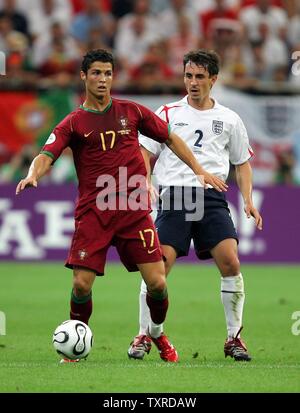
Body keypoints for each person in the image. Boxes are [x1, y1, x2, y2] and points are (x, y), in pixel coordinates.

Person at [15, 49, 227, 363]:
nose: (103, 79)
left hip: (134, 210)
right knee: (81, 284)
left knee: (157, 282)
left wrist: (198, 168)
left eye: (108, 73)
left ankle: (155, 332)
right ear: (84, 76)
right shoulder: (73, 122)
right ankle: (77, 345)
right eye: (97, 73)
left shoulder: (133, 112)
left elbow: (170, 138)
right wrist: (34, 174)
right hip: (94, 213)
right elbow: (48, 153)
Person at [128, 49, 263, 362]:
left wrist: (248, 200)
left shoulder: (229, 118)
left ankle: (234, 338)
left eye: (200, 77)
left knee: (230, 262)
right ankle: (144, 333)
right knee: (157, 270)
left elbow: (242, 163)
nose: (193, 82)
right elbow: (144, 153)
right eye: (189, 76)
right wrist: (145, 181)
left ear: (213, 79)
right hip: (175, 196)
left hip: (212, 198)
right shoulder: (167, 112)